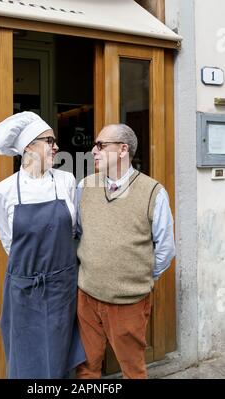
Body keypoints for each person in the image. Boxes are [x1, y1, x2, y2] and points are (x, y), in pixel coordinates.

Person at [76, 124, 175, 379]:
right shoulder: (85, 186)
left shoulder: (153, 191)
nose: (93, 151)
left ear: (122, 150)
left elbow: (165, 249)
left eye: (100, 145)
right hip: (87, 296)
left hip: (128, 302)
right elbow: (78, 231)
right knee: (87, 367)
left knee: (133, 370)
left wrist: (138, 277)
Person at [0, 111, 85, 379]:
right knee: (25, 357)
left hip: (61, 287)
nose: (56, 147)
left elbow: (73, 229)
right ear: (29, 146)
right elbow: (8, 240)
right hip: (24, 290)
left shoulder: (66, 182)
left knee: (60, 355)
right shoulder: (3, 190)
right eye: (49, 141)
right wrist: (31, 271)